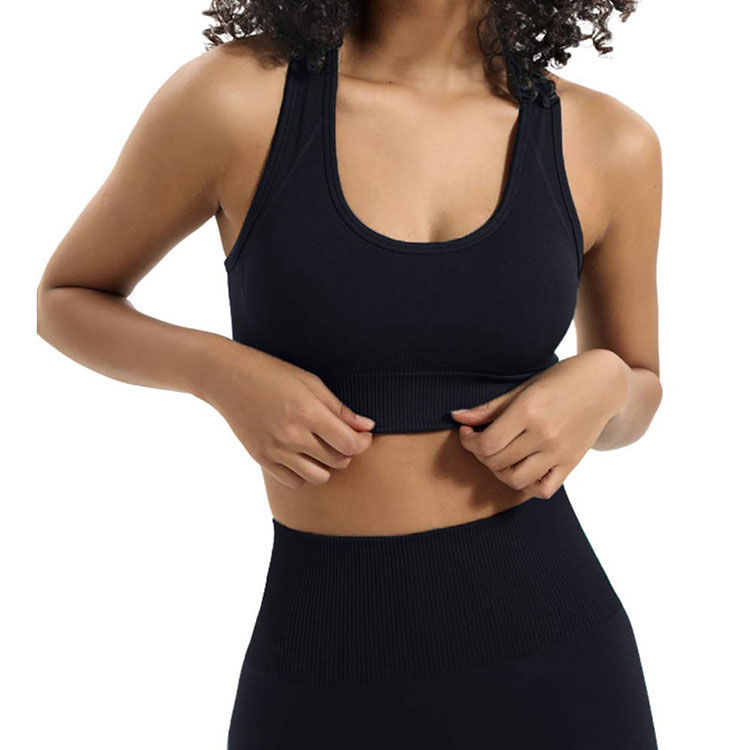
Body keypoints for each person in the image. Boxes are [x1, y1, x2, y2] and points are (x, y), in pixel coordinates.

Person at [36, 1, 663, 747]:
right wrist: (218, 371)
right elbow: (66, 299)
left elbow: (639, 388)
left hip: (559, 663)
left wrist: (607, 381)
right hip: (322, 664)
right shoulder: (237, 99)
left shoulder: (608, 140)